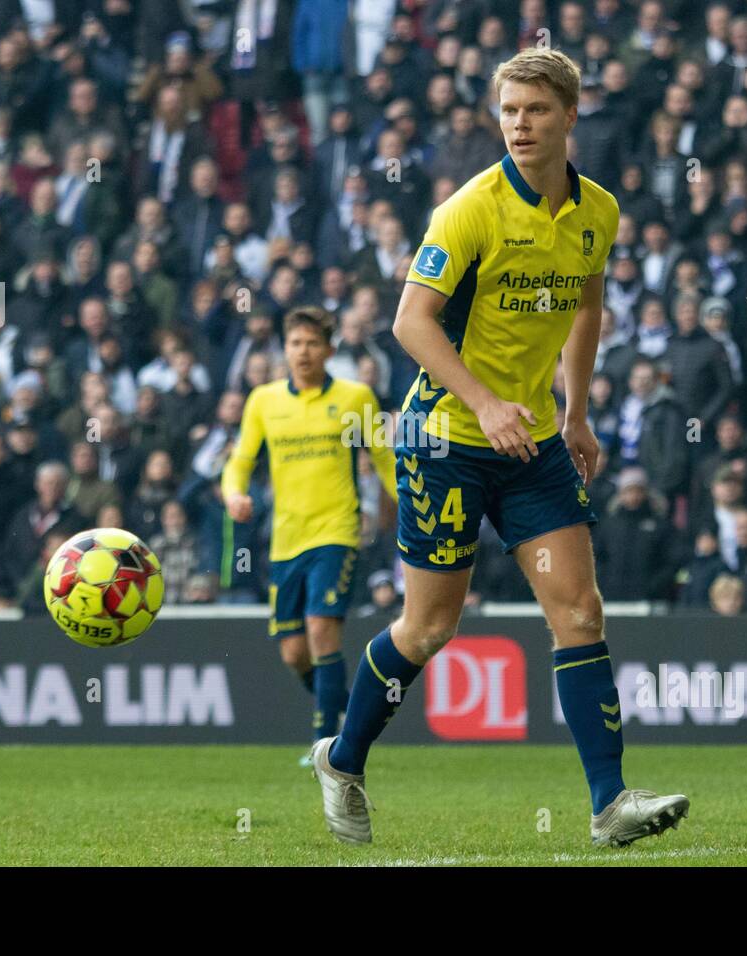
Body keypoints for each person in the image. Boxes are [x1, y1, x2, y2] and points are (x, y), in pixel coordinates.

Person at [309, 48, 688, 848]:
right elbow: (409, 323)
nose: (519, 123)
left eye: (536, 110)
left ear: (570, 116)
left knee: (580, 611)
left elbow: (588, 306)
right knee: (430, 629)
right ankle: (342, 760)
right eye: (509, 110)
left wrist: (576, 412)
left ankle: (609, 803)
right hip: (444, 440)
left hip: (534, 447)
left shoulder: (599, 213)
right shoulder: (469, 209)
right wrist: (485, 400)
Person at [222, 306, 397, 761]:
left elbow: (382, 458)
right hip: (286, 540)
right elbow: (240, 461)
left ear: (329, 350)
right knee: (294, 655)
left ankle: (327, 743)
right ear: (285, 349)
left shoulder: (357, 397)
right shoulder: (263, 401)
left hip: (336, 532)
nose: (303, 352)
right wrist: (234, 494)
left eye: (312, 343)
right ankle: (347, 708)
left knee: (322, 631)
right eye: (295, 343)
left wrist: (413, 503)